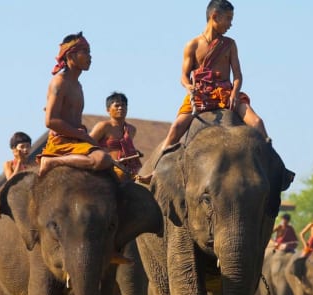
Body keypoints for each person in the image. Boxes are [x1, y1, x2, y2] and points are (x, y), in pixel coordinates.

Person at [159, 0, 269, 151]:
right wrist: (189, 86)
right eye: (228, 19)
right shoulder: (192, 45)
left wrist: (235, 94)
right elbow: (183, 76)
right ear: (215, 16)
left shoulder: (230, 44)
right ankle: (155, 170)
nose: (230, 24)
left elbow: (237, 75)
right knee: (176, 127)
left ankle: (277, 169)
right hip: (200, 95)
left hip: (226, 93)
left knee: (257, 122)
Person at [38, 32, 114, 176]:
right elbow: (50, 121)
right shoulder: (59, 82)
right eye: (85, 52)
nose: (89, 56)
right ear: (70, 56)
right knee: (101, 159)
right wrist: (83, 136)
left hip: (76, 141)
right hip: (61, 142)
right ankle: (52, 162)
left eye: (89, 52)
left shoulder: (78, 85)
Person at [88, 92, 145, 182]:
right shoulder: (103, 126)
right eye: (117, 106)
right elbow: (88, 144)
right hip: (108, 167)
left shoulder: (131, 129)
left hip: (129, 167)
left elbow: (125, 148)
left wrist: (134, 153)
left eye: (123, 105)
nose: (121, 108)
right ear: (108, 110)